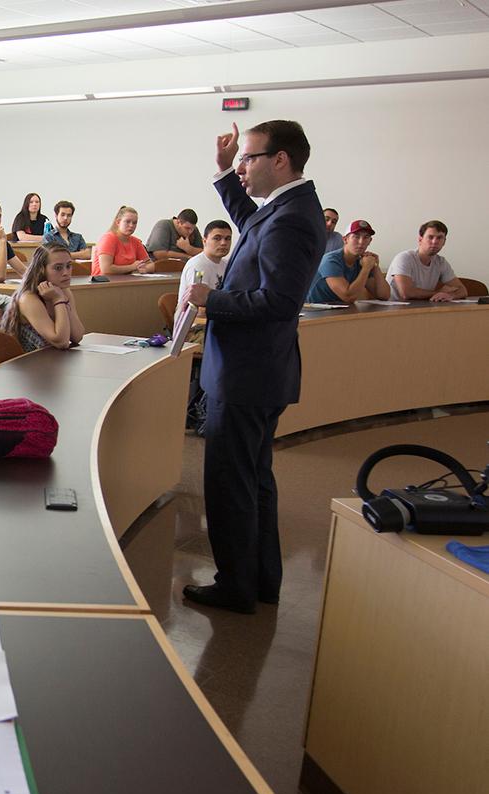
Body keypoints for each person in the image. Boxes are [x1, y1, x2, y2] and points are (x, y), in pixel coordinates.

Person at [180, 120, 325, 614]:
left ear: (279, 160)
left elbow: (278, 302)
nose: (242, 167)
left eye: (248, 158)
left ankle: (236, 585)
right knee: (254, 479)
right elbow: (249, 221)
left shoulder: (290, 218)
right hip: (260, 371)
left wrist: (211, 298)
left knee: (230, 483)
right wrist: (223, 174)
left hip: (245, 374)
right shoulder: (287, 209)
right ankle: (261, 579)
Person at [0, 244, 84, 354]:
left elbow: (77, 336)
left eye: (68, 266)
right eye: (58, 268)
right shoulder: (28, 298)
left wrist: (61, 298)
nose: (66, 273)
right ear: (42, 270)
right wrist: (58, 300)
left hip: (52, 362)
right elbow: (62, 342)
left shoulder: (63, 291)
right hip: (28, 366)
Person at [305, 220, 388, 304]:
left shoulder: (362, 261)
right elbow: (348, 297)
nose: (361, 242)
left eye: (366, 237)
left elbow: (384, 296)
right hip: (313, 310)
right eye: (356, 236)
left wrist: (375, 267)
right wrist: (366, 268)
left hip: (339, 310)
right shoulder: (330, 260)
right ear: (345, 240)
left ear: (370, 241)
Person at [387, 220, 465, 302]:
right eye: (430, 237)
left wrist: (450, 295)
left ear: (444, 242)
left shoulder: (441, 262)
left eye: (439, 238)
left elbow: (462, 290)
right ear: (420, 240)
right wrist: (439, 292)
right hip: (394, 310)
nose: (434, 242)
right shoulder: (404, 258)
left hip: (422, 308)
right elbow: (406, 293)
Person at [178, 220, 234, 302]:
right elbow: (197, 304)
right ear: (204, 241)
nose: (223, 243)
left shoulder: (227, 265)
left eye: (227, 239)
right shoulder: (198, 266)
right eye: (217, 238)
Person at [93, 206, 154, 276]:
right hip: (104, 283)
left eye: (134, 223)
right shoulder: (108, 239)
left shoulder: (136, 241)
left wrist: (145, 269)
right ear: (118, 222)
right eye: (127, 222)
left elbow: (151, 265)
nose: (131, 225)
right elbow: (106, 269)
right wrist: (132, 267)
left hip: (127, 282)